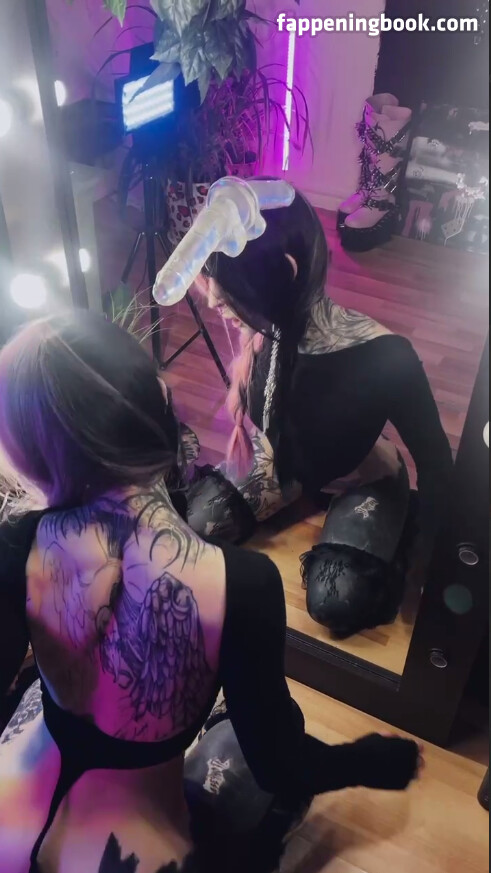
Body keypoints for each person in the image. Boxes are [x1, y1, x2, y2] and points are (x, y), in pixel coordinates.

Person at [0, 312, 423, 873]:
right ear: (161, 404)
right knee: (262, 745)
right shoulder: (241, 584)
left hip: (11, 816)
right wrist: (368, 761)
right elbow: (279, 765)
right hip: (128, 852)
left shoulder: (17, 540)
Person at [187, 184, 453, 636]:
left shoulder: (387, 357)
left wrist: (431, 564)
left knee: (336, 599)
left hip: (362, 472)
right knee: (196, 522)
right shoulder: (265, 334)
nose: (212, 300)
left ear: (284, 273)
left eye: (225, 285)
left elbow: (436, 463)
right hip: (285, 460)